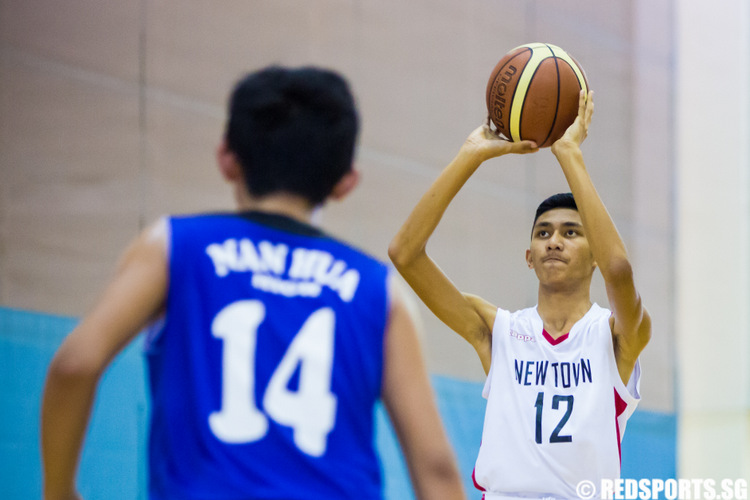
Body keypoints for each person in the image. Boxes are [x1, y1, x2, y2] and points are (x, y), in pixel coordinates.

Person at [41, 66, 466, 500]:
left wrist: (58, 491)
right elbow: (434, 466)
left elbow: (76, 363)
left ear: (227, 158)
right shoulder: (378, 289)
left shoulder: (172, 246)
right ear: (346, 181)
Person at [389, 91, 651, 499]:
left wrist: (569, 154)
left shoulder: (616, 336)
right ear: (529, 257)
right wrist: (470, 156)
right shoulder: (500, 332)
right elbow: (404, 254)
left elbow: (619, 271)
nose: (554, 242)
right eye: (543, 233)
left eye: (571, 233)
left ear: (595, 253)